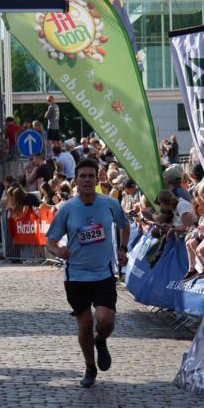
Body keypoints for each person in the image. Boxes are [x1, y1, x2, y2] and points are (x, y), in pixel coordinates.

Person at [46, 158, 129, 388]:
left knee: (106, 320)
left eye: (90, 176)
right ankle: (90, 367)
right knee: (84, 323)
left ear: (97, 178)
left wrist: (123, 248)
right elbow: (50, 241)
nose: (87, 180)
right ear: (76, 180)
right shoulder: (67, 209)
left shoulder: (110, 204)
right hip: (76, 276)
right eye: (82, 176)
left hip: (102, 273)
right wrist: (58, 251)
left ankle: (100, 340)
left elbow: (124, 224)